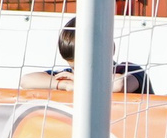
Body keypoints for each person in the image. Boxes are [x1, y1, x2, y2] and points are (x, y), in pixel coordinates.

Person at [22, 18, 154, 95]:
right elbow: (26, 80)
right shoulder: (69, 77)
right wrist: (65, 85)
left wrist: (79, 81)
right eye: (74, 67)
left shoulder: (129, 70)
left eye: (88, 65)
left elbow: (119, 85)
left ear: (110, 49)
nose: (79, 71)